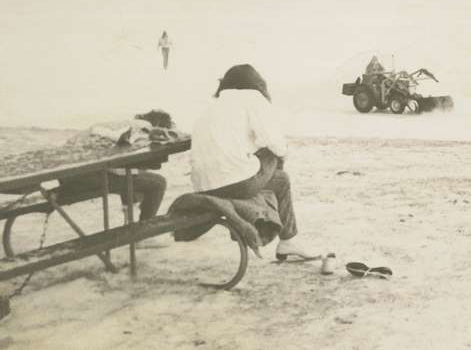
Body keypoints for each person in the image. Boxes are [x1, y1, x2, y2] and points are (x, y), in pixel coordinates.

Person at [189, 64, 313, 261]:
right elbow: (274, 141)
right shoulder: (252, 98)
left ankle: (284, 236)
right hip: (235, 184)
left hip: (203, 186)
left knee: (278, 177)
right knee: (276, 159)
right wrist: (283, 155)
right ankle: (286, 238)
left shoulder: (212, 106)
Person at [58, 110, 175, 221]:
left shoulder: (121, 125)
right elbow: (119, 169)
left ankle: (132, 221)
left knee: (139, 178)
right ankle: (144, 232)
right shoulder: (144, 127)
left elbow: (114, 155)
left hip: (67, 173)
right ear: (160, 126)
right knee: (158, 183)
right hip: (82, 176)